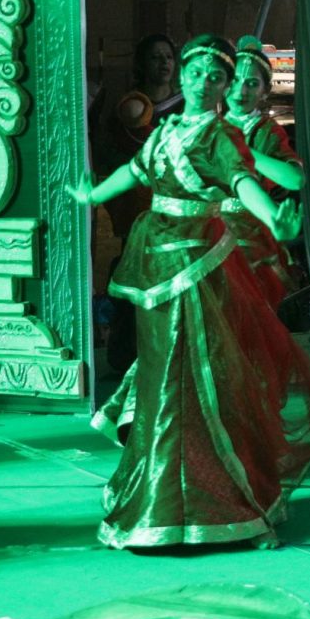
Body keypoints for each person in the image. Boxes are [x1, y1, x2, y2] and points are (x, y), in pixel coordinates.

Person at [71, 33, 310, 550]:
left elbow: (242, 182)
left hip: (199, 267)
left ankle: (216, 499)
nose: (203, 82)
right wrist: (92, 194)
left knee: (197, 378)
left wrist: (273, 217)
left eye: (215, 76)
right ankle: (161, 491)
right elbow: (134, 171)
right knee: (161, 377)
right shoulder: (166, 130)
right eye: (195, 72)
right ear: (181, 76)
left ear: (224, 86)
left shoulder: (222, 136)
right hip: (156, 266)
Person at [95, 33, 180, 372]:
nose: (164, 63)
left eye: (168, 57)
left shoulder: (186, 106)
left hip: (177, 210)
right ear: (142, 64)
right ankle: (127, 355)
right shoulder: (129, 108)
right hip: (139, 211)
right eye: (156, 57)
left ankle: (172, 356)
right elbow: (110, 157)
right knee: (136, 280)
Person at [226, 34, 307, 304]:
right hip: (210, 235)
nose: (241, 91)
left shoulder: (266, 132)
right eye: (235, 81)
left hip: (252, 237)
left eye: (251, 83)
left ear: (264, 91)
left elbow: (295, 179)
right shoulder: (207, 125)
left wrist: (244, 151)